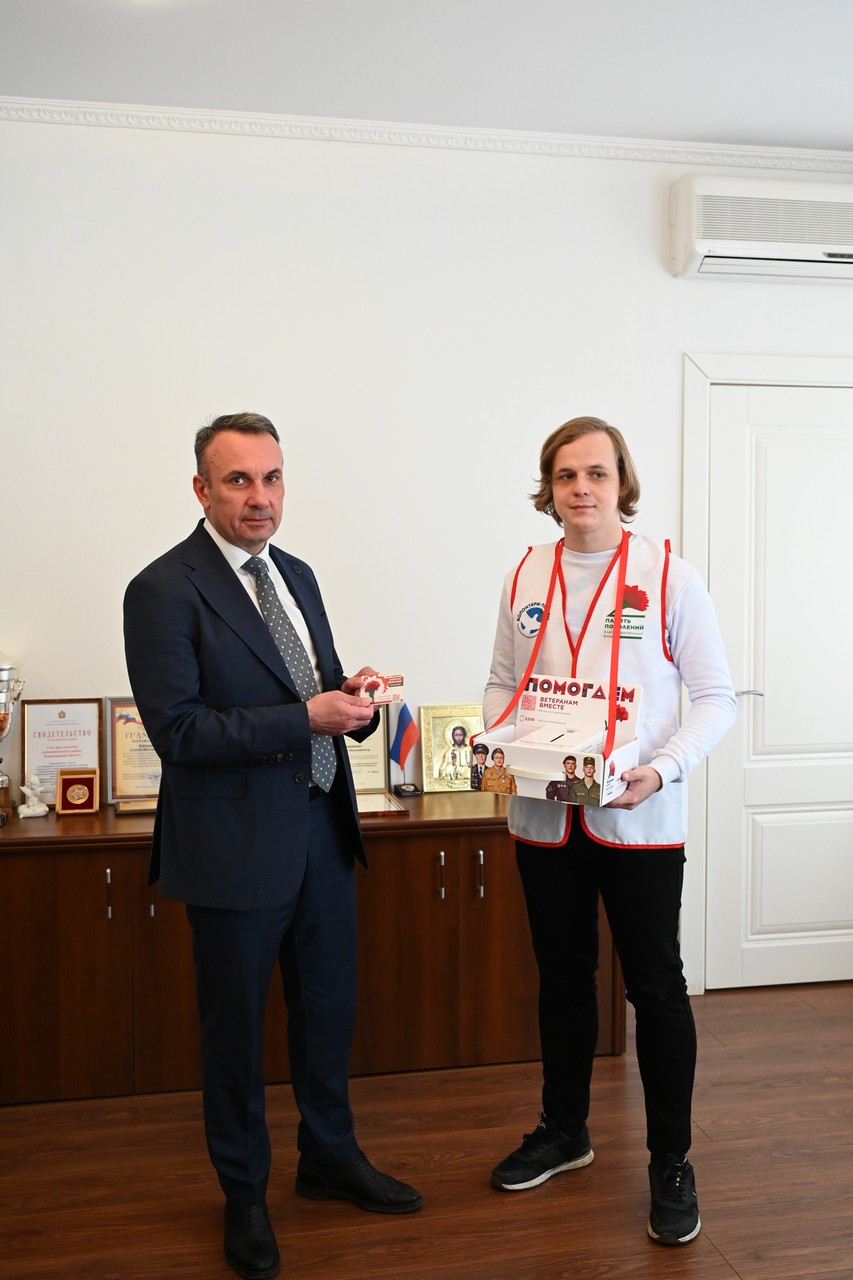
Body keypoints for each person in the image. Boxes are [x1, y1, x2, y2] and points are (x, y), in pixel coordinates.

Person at [124, 413, 421, 1280]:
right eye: (239, 480)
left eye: (272, 477)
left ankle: (328, 1157)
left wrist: (350, 698)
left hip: (322, 833)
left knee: (326, 1016)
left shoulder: (296, 574)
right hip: (232, 849)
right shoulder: (162, 589)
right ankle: (244, 1194)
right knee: (235, 1037)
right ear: (201, 489)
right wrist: (306, 717)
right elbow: (180, 732)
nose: (260, 497)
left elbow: (311, 691)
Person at [483, 416, 736, 1247]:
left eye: (596, 473)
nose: (581, 488)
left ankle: (671, 1160)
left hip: (639, 817)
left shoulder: (668, 575)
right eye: (565, 475)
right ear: (548, 488)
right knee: (562, 978)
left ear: (621, 482)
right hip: (545, 817)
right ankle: (564, 1130)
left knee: (655, 988)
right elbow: (501, 683)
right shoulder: (524, 573)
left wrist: (660, 771)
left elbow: (714, 698)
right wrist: (500, 748)